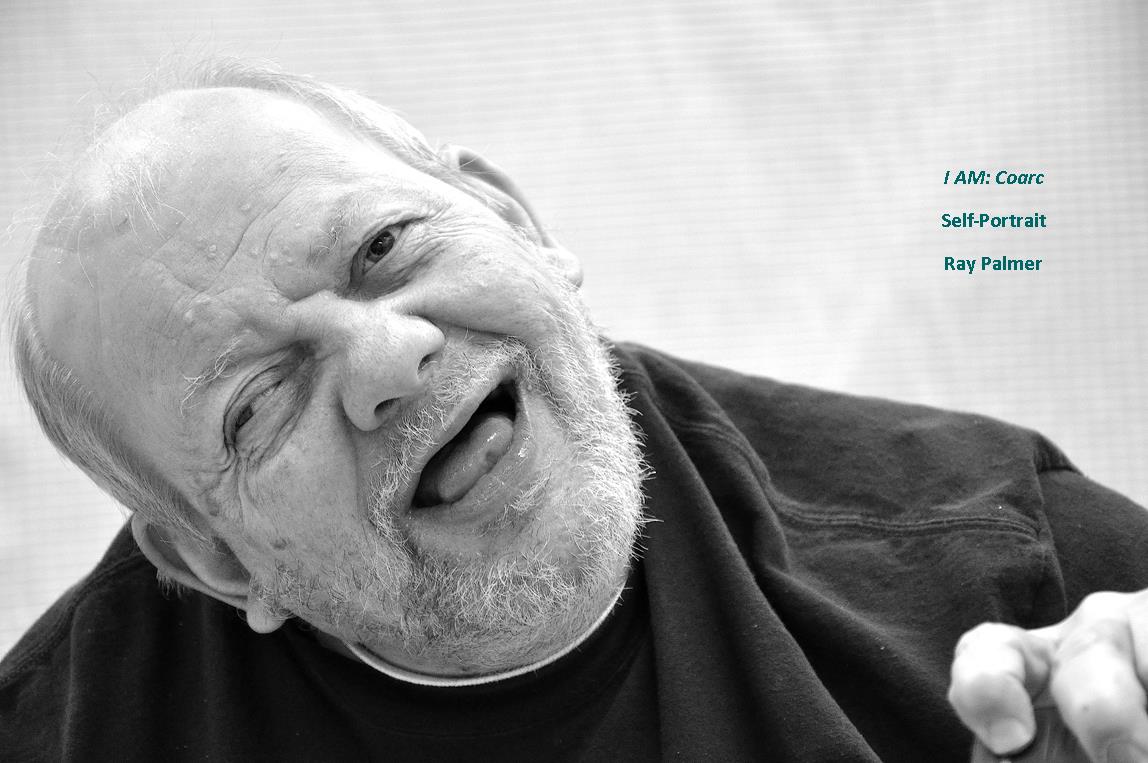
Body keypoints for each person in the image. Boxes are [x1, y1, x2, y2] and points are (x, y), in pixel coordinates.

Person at [2, 59, 1147, 762]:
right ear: (211, 559)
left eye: (384, 247)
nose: (388, 357)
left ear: (514, 221)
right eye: (257, 400)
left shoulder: (1014, 575)